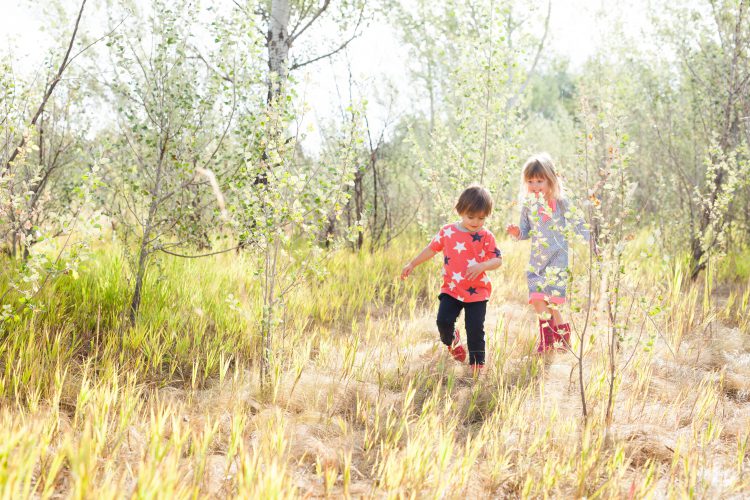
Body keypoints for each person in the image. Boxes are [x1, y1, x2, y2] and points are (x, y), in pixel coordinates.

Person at [401, 185, 502, 374]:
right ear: (460, 211)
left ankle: (476, 367)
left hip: (477, 292)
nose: (476, 222)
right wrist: (412, 264)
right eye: (471, 217)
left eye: (481, 218)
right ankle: (452, 340)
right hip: (452, 289)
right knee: (443, 322)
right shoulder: (448, 232)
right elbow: (431, 249)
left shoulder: (486, 236)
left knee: (475, 330)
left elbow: (497, 260)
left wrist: (482, 266)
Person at [506, 153, 590, 353]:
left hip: (557, 259)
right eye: (530, 181)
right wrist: (517, 233)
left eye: (539, 181)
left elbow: (578, 224)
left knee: (553, 303)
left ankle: (562, 336)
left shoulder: (561, 202)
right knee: (537, 299)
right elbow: (525, 231)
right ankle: (547, 340)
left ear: (550, 179)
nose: (535, 185)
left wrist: (592, 242)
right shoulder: (528, 205)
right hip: (537, 260)